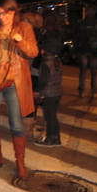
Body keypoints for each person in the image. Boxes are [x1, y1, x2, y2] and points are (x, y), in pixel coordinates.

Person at [0, 0, 38, 178]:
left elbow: (33, 52)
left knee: (16, 123)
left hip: (15, 80)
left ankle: (20, 163)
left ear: (13, 11)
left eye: (4, 14)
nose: (0, 18)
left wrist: (19, 40)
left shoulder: (24, 28)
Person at [34, 11, 63, 147]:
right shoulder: (57, 61)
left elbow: (43, 80)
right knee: (54, 117)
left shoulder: (45, 63)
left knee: (49, 117)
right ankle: (56, 138)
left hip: (49, 93)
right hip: (57, 92)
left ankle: (51, 139)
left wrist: (40, 93)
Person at [75, 3, 97, 98]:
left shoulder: (81, 23)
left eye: (88, 10)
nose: (88, 12)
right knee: (92, 72)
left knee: (85, 71)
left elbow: (76, 38)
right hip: (91, 51)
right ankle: (92, 91)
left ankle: (84, 91)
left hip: (85, 50)